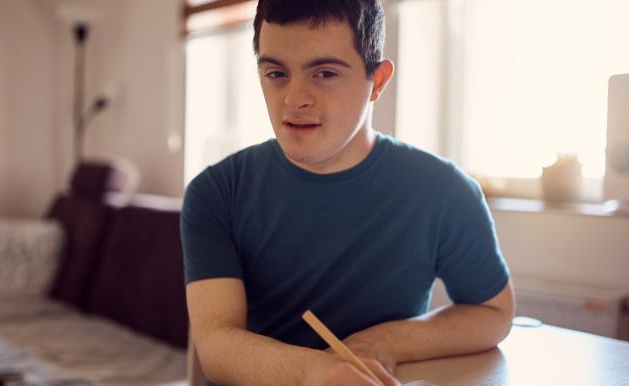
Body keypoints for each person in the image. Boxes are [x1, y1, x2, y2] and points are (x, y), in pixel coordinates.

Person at [180, 1, 514, 385]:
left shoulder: (444, 191)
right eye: (276, 73)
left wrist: (381, 343)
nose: (294, 99)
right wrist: (316, 373)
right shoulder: (217, 191)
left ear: (378, 81)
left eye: (324, 72)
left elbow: (494, 312)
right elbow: (216, 345)